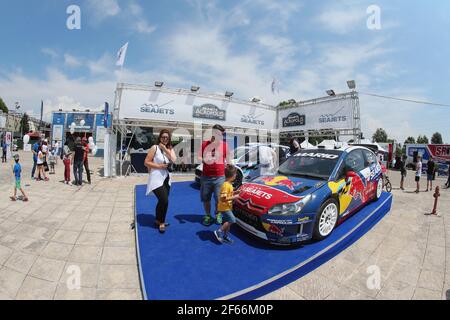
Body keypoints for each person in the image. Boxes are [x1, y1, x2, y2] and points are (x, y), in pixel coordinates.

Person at [144, 129, 177, 233]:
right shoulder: (155, 148)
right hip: (156, 179)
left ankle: (158, 220)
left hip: (167, 179)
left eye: (167, 137)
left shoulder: (170, 148)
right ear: (160, 137)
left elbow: (174, 159)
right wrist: (159, 166)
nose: (165, 139)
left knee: (162, 201)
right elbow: (146, 162)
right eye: (163, 137)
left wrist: (165, 149)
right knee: (164, 200)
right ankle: (162, 222)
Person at [198, 124, 231, 227]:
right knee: (206, 198)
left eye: (220, 134)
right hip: (206, 177)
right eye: (217, 133)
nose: (218, 135)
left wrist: (229, 165)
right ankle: (208, 215)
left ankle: (218, 214)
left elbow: (228, 159)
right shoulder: (204, 144)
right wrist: (204, 160)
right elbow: (198, 157)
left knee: (219, 199)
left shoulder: (225, 145)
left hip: (220, 177)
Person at [214, 165, 240, 244]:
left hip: (227, 207)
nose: (236, 175)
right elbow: (223, 198)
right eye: (235, 174)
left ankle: (225, 236)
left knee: (227, 222)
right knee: (232, 220)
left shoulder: (229, 184)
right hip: (224, 208)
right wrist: (234, 197)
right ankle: (219, 231)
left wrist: (234, 192)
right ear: (232, 176)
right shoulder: (226, 185)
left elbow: (228, 194)